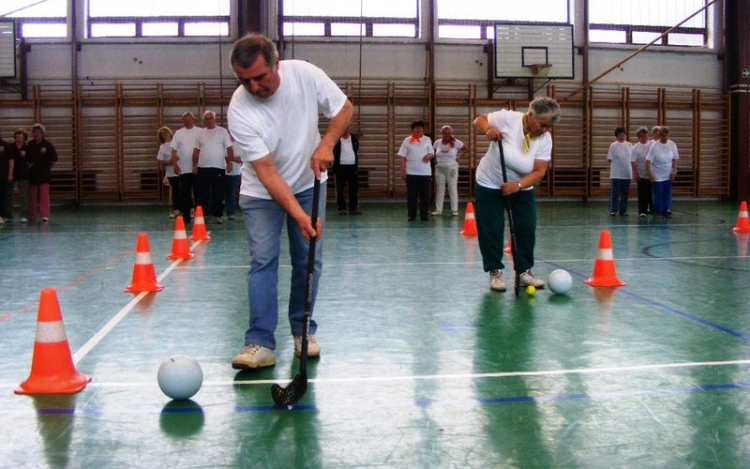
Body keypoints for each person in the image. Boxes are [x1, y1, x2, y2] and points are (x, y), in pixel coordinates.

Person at [227, 33, 353, 370]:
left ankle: (303, 331)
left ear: (275, 63)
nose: (253, 87)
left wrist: (327, 143)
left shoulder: (305, 75)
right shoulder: (239, 109)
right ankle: (260, 342)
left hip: (309, 183)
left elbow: (344, 108)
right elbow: (267, 173)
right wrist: (299, 216)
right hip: (260, 193)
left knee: (308, 260)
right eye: (244, 80)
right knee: (263, 260)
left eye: (259, 77)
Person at [472, 96, 561, 291]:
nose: (545, 130)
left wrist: (518, 185)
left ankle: (524, 272)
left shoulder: (545, 138)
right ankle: (495, 272)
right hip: (489, 183)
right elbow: (479, 119)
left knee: (526, 228)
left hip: (521, 187)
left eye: (549, 127)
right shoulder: (509, 119)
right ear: (530, 116)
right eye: (543, 124)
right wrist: (488, 130)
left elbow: (539, 171)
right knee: (491, 229)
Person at [193, 110, 233, 224]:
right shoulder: (200, 133)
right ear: (204, 120)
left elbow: (229, 148)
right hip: (203, 167)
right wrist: (194, 165)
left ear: (215, 119)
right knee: (203, 193)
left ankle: (217, 215)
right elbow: (196, 150)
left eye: (211, 118)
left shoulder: (222, 132)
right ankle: (204, 214)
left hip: (218, 167)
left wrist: (230, 162)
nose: (209, 120)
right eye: (206, 118)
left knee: (218, 192)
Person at [398, 120, 434, 221]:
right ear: (412, 130)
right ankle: (411, 214)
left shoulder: (427, 140)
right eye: (417, 128)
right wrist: (403, 170)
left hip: (425, 172)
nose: (419, 130)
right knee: (412, 195)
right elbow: (403, 157)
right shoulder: (407, 140)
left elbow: (432, 153)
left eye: (421, 128)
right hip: (411, 172)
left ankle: (424, 215)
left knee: (425, 195)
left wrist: (429, 156)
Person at [171, 112, 201, 223]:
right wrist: (174, 164)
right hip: (183, 169)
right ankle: (186, 215)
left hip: (198, 168)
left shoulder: (200, 132)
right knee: (185, 193)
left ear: (193, 120)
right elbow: (174, 150)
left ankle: (200, 216)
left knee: (199, 193)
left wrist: (196, 165)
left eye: (189, 120)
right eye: (185, 120)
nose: (187, 122)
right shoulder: (179, 133)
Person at [432, 125, 467, 216]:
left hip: (451, 168)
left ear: (451, 134)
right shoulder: (437, 143)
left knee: (452, 188)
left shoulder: (456, 142)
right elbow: (433, 152)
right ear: (442, 133)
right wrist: (436, 159)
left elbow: (465, 149)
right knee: (440, 189)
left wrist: (459, 156)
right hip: (439, 168)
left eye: (448, 133)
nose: (447, 135)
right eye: (445, 133)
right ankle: (438, 210)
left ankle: (454, 210)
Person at [27, 123, 57, 223]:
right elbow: (27, 159)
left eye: (38, 132)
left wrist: (46, 167)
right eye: (34, 132)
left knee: (44, 195)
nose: (36, 134)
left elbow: (53, 159)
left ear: (42, 133)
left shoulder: (48, 145)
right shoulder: (30, 144)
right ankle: (32, 215)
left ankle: (45, 215)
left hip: (44, 174)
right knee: (33, 196)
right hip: (32, 174)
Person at [646, 125, 679, 218]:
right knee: (658, 193)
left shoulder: (672, 144)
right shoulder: (655, 146)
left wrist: (674, 170)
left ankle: (666, 210)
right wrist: (650, 174)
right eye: (662, 136)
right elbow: (648, 161)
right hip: (657, 174)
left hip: (668, 173)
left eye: (666, 135)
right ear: (659, 135)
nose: (664, 138)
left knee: (667, 193)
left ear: (669, 135)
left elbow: (675, 159)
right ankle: (658, 211)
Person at [332, 125, 360, 215]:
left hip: (352, 166)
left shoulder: (354, 139)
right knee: (340, 189)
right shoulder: (336, 140)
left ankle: (353, 208)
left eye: (347, 128)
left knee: (354, 189)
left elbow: (356, 149)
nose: (345, 130)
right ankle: (342, 208)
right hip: (340, 167)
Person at [607, 127, 633, 216]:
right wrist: (614, 168)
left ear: (625, 135)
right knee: (615, 193)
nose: (621, 137)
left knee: (625, 194)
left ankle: (623, 210)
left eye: (623, 135)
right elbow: (609, 159)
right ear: (616, 137)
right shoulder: (613, 146)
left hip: (627, 173)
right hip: (616, 174)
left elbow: (632, 159)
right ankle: (613, 210)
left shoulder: (630, 145)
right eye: (619, 135)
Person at [5, 129, 29, 223]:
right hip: (11, 174)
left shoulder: (27, 148)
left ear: (24, 137)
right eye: (17, 136)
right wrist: (9, 174)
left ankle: (24, 214)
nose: (18, 137)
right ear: (14, 137)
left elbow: (30, 161)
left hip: (23, 174)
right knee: (9, 194)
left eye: (20, 135)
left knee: (23, 195)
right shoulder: (10, 146)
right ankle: (8, 214)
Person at [156, 126, 180, 218]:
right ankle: (176, 209)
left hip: (182, 170)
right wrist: (168, 162)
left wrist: (174, 160)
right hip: (171, 172)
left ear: (170, 132)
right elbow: (160, 160)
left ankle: (189, 209)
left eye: (165, 132)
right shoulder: (162, 147)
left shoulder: (177, 143)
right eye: (162, 134)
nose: (164, 134)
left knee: (185, 190)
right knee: (176, 191)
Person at [630, 127, 653, 218]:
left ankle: (652, 209)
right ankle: (642, 211)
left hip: (651, 173)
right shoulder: (635, 148)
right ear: (639, 137)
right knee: (642, 193)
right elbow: (632, 161)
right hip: (641, 173)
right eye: (642, 136)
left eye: (646, 135)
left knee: (650, 193)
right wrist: (635, 173)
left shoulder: (652, 144)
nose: (644, 137)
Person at [224, 138, 242, 221]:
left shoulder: (239, 143)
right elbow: (223, 156)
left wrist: (231, 158)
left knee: (232, 193)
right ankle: (223, 213)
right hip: (223, 171)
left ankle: (231, 213)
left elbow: (241, 159)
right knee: (225, 193)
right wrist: (233, 158)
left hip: (236, 172)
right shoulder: (225, 143)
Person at [0, 131, 10, 224]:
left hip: (2, 175)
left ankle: (2, 215)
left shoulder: (5, 145)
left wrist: (10, 173)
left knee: (2, 196)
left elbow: (11, 160)